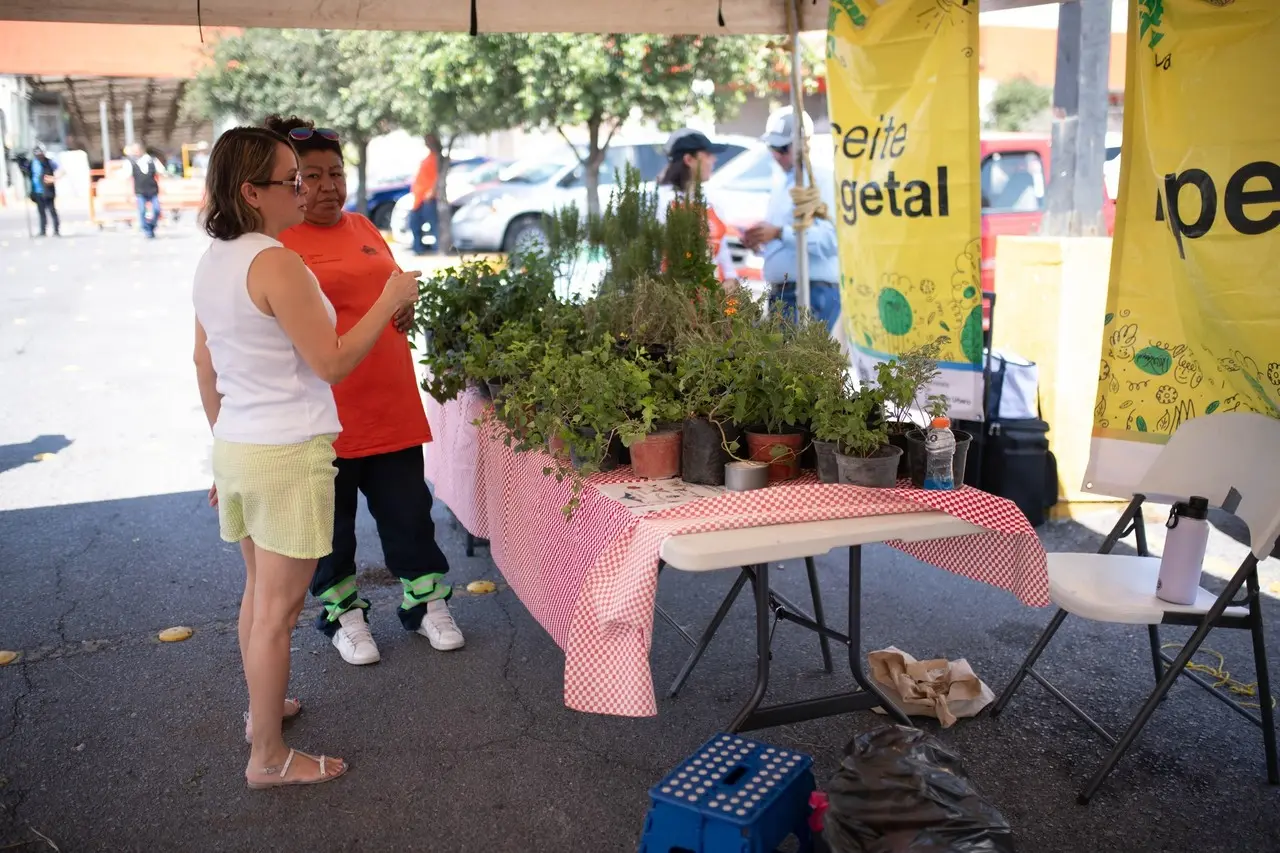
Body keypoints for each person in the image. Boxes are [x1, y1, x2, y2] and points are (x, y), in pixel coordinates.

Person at [192, 125, 420, 787]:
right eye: (289, 178)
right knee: (279, 614)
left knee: (259, 600)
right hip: (286, 451)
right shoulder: (276, 261)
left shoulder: (217, 258)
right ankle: (266, 755)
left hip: (241, 445)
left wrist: (220, 451)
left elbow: (203, 364)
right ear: (250, 192)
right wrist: (389, 299)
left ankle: (262, 715)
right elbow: (333, 361)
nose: (303, 188)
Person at [263, 114, 464, 666]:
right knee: (330, 531)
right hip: (325, 414)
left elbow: (392, 290)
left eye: (335, 173)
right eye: (311, 176)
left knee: (410, 517)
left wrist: (406, 303)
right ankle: (342, 615)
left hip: (389, 403)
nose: (327, 187)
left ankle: (425, 605)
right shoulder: (277, 245)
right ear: (288, 182)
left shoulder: (363, 227)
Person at [742, 107, 841, 332]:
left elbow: (831, 240)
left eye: (781, 148)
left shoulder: (821, 180)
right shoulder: (783, 183)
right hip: (786, 292)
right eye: (772, 148)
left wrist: (779, 233)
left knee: (792, 363)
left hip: (810, 291)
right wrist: (761, 240)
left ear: (801, 145)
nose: (775, 155)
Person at [656, 128, 738, 283]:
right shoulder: (663, 202)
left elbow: (723, 254)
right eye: (707, 155)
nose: (713, 160)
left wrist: (730, 279)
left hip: (714, 302)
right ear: (688, 160)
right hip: (680, 299)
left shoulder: (711, 201)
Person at [407, 139, 440, 256]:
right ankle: (418, 248)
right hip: (419, 198)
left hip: (428, 197)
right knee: (414, 223)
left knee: (433, 224)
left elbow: (437, 177)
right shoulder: (428, 158)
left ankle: (438, 249)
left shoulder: (436, 159)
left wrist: (432, 192)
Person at [127, 142, 163, 238]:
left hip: (152, 190)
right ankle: (146, 229)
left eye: (136, 150)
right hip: (140, 191)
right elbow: (125, 174)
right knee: (142, 210)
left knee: (156, 210)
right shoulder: (131, 162)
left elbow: (162, 171)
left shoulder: (152, 160)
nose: (135, 153)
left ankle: (152, 226)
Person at [29, 147, 59, 238]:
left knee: (52, 211)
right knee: (41, 212)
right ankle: (42, 231)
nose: (39, 157)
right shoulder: (32, 163)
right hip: (37, 191)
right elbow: (27, 172)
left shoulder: (49, 162)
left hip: (48, 191)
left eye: (40, 154)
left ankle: (56, 230)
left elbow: (61, 170)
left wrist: (53, 179)